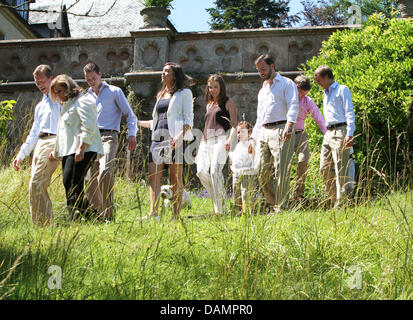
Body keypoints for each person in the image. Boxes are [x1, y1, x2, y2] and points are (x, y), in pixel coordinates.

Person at [138, 62, 194, 220]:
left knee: (176, 177)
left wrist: (179, 137)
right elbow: (156, 121)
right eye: (162, 71)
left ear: (175, 74)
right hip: (157, 139)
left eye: (167, 71)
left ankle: (176, 215)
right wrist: (137, 122)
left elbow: (189, 119)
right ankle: (153, 213)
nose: (163, 73)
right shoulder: (160, 95)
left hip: (174, 138)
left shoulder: (184, 93)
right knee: (153, 175)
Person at [83, 62, 138, 220]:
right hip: (90, 139)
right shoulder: (85, 97)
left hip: (108, 136)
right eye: (88, 79)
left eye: (94, 78)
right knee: (88, 180)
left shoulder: (115, 92)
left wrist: (132, 135)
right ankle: (100, 215)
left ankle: (109, 215)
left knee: (105, 172)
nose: (92, 81)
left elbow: (130, 115)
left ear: (100, 74)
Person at [248, 54, 299, 215]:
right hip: (263, 130)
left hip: (281, 127)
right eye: (258, 70)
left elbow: (293, 104)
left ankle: (280, 206)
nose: (261, 73)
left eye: (263, 69)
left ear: (272, 66)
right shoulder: (263, 90)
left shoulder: (286, 83)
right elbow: (259, 116)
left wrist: (289, 125)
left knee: (281, 169)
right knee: (261, 169)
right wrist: (252, 138)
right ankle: (273, 203)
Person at [50, 74, 104, 221]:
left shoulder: (83, 101)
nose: (58, 95)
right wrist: (56, 151)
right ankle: (87, 217)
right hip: (70, 149)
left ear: (68, 88)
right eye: (56, 92)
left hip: (84, 148)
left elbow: (90, 125)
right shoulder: (69, 104)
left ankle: (82, 217)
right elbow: (64, 132)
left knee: (72, 182)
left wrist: (82, 146)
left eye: (60, 91)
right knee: (71, 183)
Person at [12, 65, 60, 226]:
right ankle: (39, 226)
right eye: (36, 82)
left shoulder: (61, 100)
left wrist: (58, 147)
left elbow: (67, 126)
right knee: (34, 185)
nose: (39, 84)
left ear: (51, 79)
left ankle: (46, 224)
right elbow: (33, 133)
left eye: (42, 81)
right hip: (40, 143)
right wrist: (21, 154)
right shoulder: (40, 106)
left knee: (37, 183)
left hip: (53, 142)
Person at [313, 65, 356, 208]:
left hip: (341, 130)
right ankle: (335, 198)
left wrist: (349, 133)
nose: (317, 83)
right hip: (328, 132)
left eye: (319, 79)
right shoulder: (325, 94)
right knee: (324, 168)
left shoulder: (342, 90)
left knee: (341, 168)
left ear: (327, 77)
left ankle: (342, 201)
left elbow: (349, 112)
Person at [196, 74, 238, 215]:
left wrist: (230, 140)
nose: (213, 90)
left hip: (222, 138)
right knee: (201, 171)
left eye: (215, 87)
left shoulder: (228, 102)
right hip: (206, 141)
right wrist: (200, 146)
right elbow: (207, 126)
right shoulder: (209, 105)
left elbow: (234, 124)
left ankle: (220, 210)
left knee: (215, 172)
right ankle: (217, 199)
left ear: (221, 87)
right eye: (210, 87)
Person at [292, 75, 327, 201]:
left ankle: (298, 194)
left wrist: (327, 134)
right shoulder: (286, 98)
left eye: (304, 94)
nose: (302, 96)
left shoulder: (307, 101)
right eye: (300, 93)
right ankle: (280, 195)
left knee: (304, 160)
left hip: (300, 134)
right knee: (283, 164)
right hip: (286, 134)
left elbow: (319, 118)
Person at [229, 121, 258, 213]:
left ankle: (248, 211)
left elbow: (253, 156)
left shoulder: (250, 143)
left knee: (246, 193)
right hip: (237, 173)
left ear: (249, 133)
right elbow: (235, 158)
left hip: (247, 173)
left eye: (242, 132)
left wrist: (252, 145)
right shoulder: (238, 145)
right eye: (238, 132)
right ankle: (238, 211)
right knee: (236, 192)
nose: (239, 134)